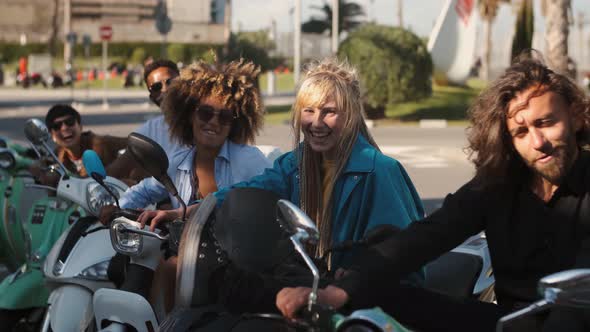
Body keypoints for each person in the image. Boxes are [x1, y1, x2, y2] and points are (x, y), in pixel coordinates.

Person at [276, 54, 590, 331]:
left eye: (546, 123)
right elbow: (427, 235)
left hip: (578, 319)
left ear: (575, 116)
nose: (538, 142)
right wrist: (340, 291)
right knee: (380, 294)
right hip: (509, 322)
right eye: (521, 132)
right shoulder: (499, 184)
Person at [139, 57, 425, 314]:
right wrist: (186, 213)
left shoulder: (379, 170)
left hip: (361, 305)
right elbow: (251, 190)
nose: (316, 123)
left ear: (350, 116)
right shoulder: (294, 164)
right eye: (309, 111)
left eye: (329, 112)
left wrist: (353, 279)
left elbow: (400, 254)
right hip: (312, 293)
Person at [106, 58, 272, 312]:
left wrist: (178, 213)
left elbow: (264, 208)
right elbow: (145, 190)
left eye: (225, 116)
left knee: (171, 267)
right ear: (189, 114)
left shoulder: (250, 160)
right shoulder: (177, 162)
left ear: (235, 123)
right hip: (186, 261)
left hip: (236, 268)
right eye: (205, 112)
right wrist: (114, 207)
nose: (213, 122)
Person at [107, 59, 180, 181]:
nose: (165, 89)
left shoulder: (206, 118)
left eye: (170, 82)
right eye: (157, 87)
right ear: (152, 97)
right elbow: (116, 169)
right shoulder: (150, 130)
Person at [42, 104, 127, 177]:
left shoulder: (101, 143)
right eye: (57, 126)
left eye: (70, 122)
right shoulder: (58, 153)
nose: (64, 128)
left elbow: (134, 143)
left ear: (80, 126)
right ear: (52, 135)